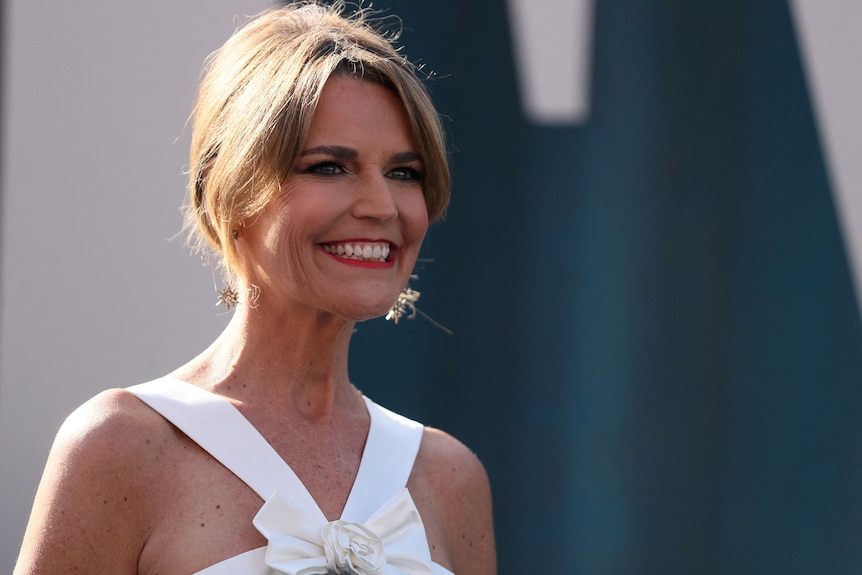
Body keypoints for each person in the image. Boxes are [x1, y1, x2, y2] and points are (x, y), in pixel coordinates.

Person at [13, 2, 496, 574]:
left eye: (403, 172)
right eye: (328, 167)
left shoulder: (449, 476)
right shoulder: (119, 447)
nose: (381, 206)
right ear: (232, 189)